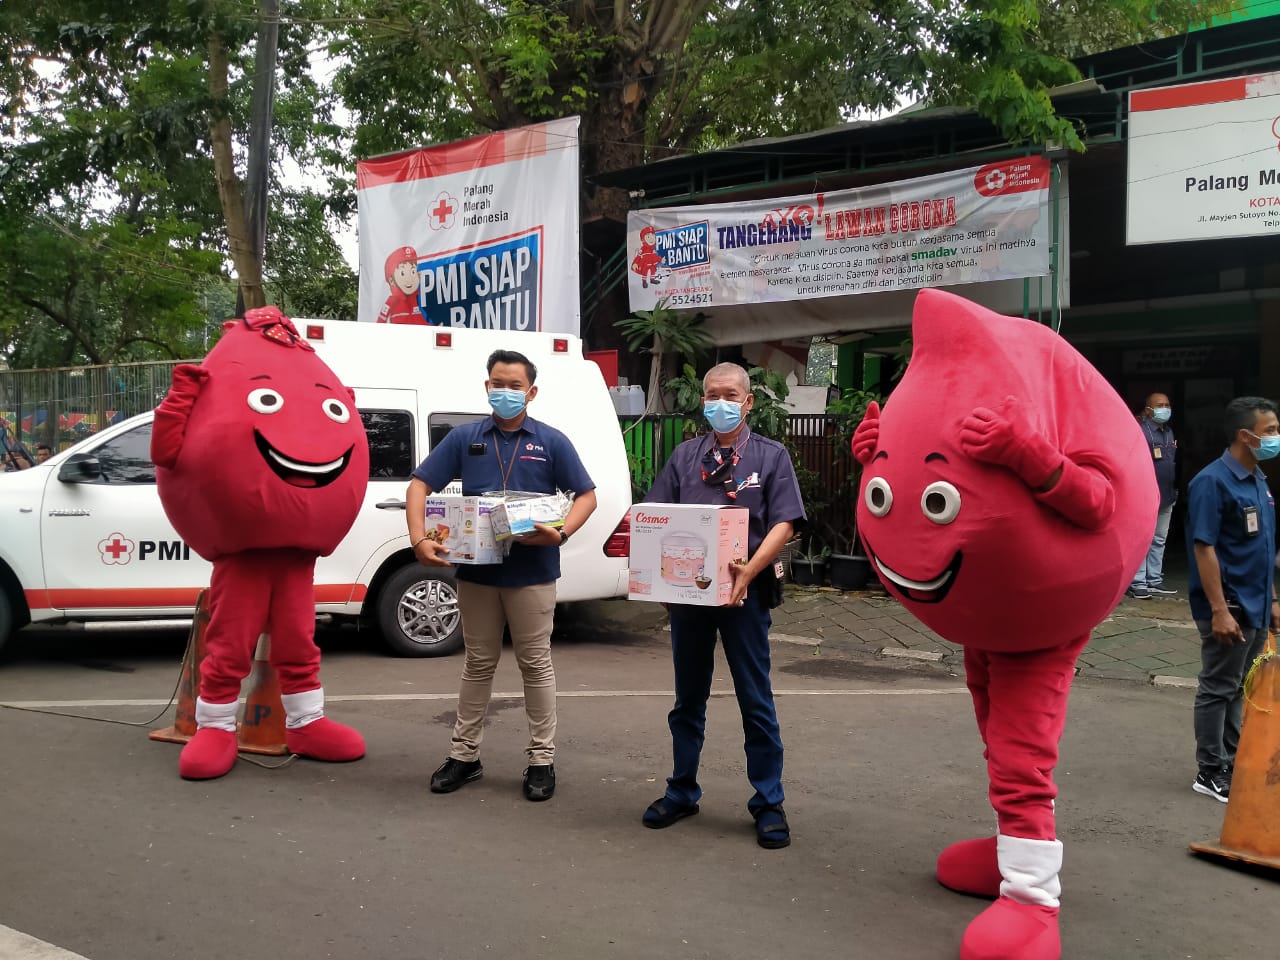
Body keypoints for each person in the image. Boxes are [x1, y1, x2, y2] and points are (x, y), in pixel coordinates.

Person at [407, 349, 598, 802]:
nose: (505, 392)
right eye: (497, 383)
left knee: (535, 664)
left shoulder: (552, 441)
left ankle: (541, 761)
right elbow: (419, 485)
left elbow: (586, 495)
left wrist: (561, 532)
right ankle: (464, 756)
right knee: (477, 663)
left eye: (515, 386)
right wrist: (419, 539)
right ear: (486, 386)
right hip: (476, 572)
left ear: (531, 392)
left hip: (532, 573)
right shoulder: (465, 438)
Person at [639, 362, 805, 850]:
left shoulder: (770, 457)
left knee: (755, 699)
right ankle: (682, 790)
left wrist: (751, 569)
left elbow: (785, 522)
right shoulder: (686, 457)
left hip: (744, 599)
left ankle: (768, 803)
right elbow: (657, 516)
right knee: (687, 699)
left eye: (729, 394)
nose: (719, 403)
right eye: (712, 395)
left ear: (748, 401)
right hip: (689, 600)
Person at [1185, 396, 1279, 803]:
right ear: (1246, 435)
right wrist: (1220, 610)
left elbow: (1263, 546)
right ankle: (1209, 770)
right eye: (1271, 430)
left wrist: (1273, 600)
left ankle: (1232, 758)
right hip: (1230, 606)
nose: (1276, 436)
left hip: (1257, 603)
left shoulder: (1257, 478)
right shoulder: (1211, 482)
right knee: (1218, 687)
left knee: (1241, 686)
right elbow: (1204, 548)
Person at [1128, 393, 1178, 599]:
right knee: (1142, 538)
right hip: (1145, 495)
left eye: (1167, 405)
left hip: (1167, 494)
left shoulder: (1168, 432)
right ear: (1148, 410)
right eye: (1160, 405)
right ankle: (1137, 581)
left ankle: (1154, 579)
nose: (1165, 408)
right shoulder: (1139, 431)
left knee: (1159, 539)